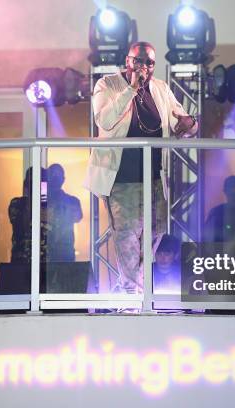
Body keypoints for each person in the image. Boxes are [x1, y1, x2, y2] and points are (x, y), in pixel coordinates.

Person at [83, 41, 198, 294]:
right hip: (121, 178)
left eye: (150, 62)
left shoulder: (161, 88)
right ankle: (130, 295)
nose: (144, 66)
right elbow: (105, 120)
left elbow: (184, 121)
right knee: (126, 240)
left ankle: (137, 291)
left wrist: (190, 124)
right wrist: (131, 88)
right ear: (127, 61)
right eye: (139, 60)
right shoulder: (108, 85)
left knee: (153, 237)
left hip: (154, 178)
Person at [9, 167, 49, 264]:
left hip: (44, 263)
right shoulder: (17, 204)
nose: (36, 186)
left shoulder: (50, 207)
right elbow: (21, 227)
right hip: (21, 260)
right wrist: (30, 201)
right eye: (32, 182)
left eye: (40, 183)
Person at [47, 163, 83, 262]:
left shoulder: (72, 201)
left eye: (57, 175)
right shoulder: (40, 202)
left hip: (65, 253)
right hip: (45, 254)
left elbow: (78, 217)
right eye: (52, 175)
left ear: (63, 179)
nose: (55, 178)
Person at [203, 176, 235, 243]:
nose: (233, 191)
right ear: (225, 191)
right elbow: (207, 237)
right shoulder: (216, 212)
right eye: (231, 187)